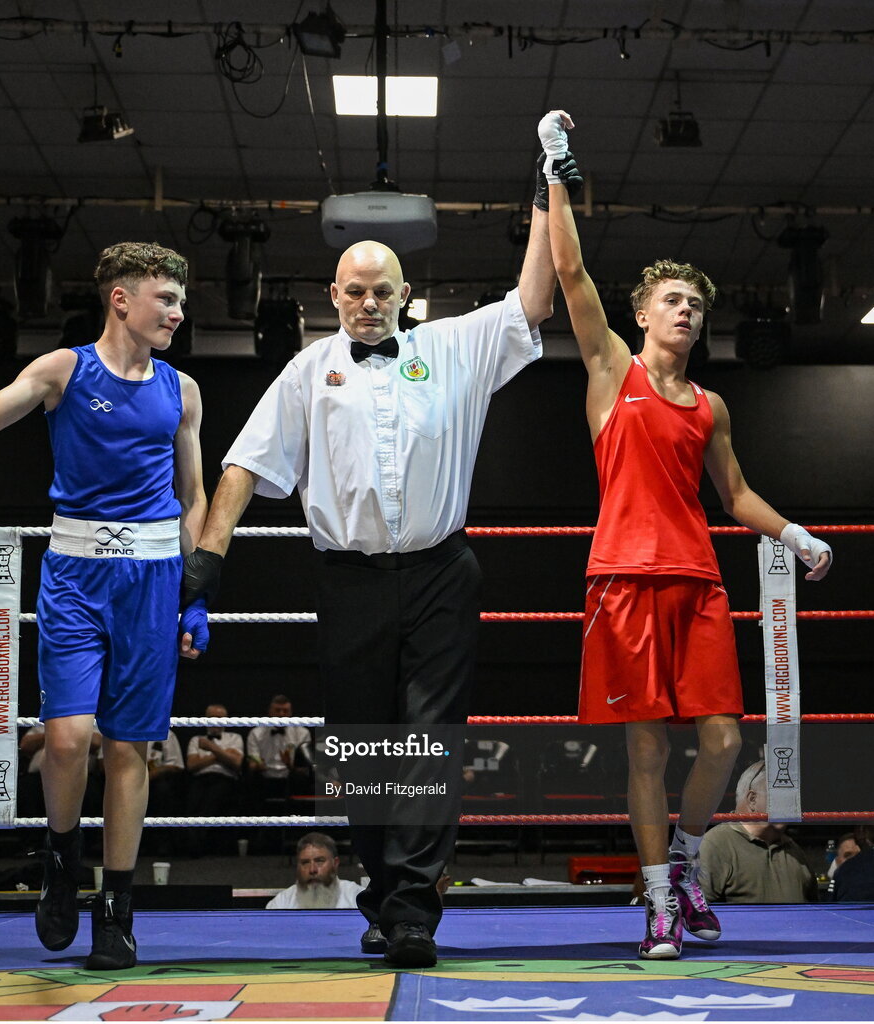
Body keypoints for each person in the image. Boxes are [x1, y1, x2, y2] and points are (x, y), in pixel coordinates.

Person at [179, 179, 562, 966]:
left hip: (439, 574)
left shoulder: (452, 347)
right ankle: (384, 898)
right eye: (353, 290)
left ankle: (414, 910)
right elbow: (244, 466)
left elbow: (533, 300)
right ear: (333, 294)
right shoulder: (308, 369)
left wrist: (542, 198)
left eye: (381, 290)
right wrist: (206, 560)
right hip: (348, 580)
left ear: (405, 295)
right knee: (361, 749)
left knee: (426, 742)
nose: (367, 302)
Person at [540, 109, 833, 960]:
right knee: (642, 748)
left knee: (722, 741)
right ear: (639, 311)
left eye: (698, 306)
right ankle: (659, 900)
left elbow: (734, 493)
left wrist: (797, 535)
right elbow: (567, 269)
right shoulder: (609, 372)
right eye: (673, 300)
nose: (688, 313)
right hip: (624, 579)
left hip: (697, 580)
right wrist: (554, 169)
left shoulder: (711, 406)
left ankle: (680, 857)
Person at [0, 241, 210, 971]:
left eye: (181, 301)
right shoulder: (63, 370)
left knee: (130, 748)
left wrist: (194, 591)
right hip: (76, 576)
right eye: (167, 299)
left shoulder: (181, 390)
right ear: (121, 298)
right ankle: (60, 856)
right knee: (66, 738)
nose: (179, 314)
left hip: (152, 580)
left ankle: (116, 910)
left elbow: (194, 497)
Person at [698, 760, 818, 904]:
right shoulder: (714, 845)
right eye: (782, 796)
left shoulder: (794, 850)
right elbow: (696, 916)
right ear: (752, 799)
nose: (792, 805)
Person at [185, 703, 245, 856]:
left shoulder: (235, 738)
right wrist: (222, 755)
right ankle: (193, 839)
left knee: (216, 792)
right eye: (212, 718)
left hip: (225, 779)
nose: (216, 721)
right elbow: (192, 765)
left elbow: (236, 764)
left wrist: (210, 749)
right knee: (194, 796)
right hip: (200, 778)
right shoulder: (196, 739)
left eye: (220, 718)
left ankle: (196, 840)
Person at [265, 832, 364, 910]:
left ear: (335, 863)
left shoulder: (356, 898)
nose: (312, 870)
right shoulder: (281, 903)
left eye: (320, 861)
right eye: (305, 862)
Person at [246, 695, 313, 804]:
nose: (281, 714)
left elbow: (305, 769)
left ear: (290, 714)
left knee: (300, 778)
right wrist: (257, 765)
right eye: (277, 710)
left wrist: (290, 765)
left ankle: (294, 818)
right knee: (252, 779)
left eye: (285, 711)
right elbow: (252, 762)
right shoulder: (256, 733)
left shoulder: (302, 733)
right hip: (265, 776)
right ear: (270, 712)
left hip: (290, 777)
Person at [830, 828, 874, 902]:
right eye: (848, 855)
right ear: (837, 861)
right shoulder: (840, 873)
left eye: (858, 855)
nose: (853, 860)